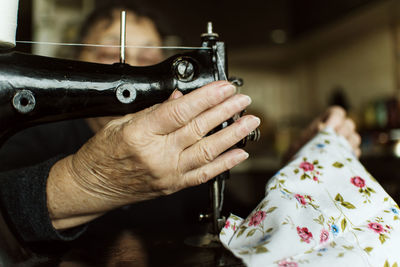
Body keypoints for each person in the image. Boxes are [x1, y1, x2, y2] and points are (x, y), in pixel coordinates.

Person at [0, 0, 361, 263]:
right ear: (73, 66)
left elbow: (248, 224)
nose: (127, 68)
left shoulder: (187, 152)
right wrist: (88, 179)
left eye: (147, 61)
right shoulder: (34, 140)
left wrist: (297, 171)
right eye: (108, 53)